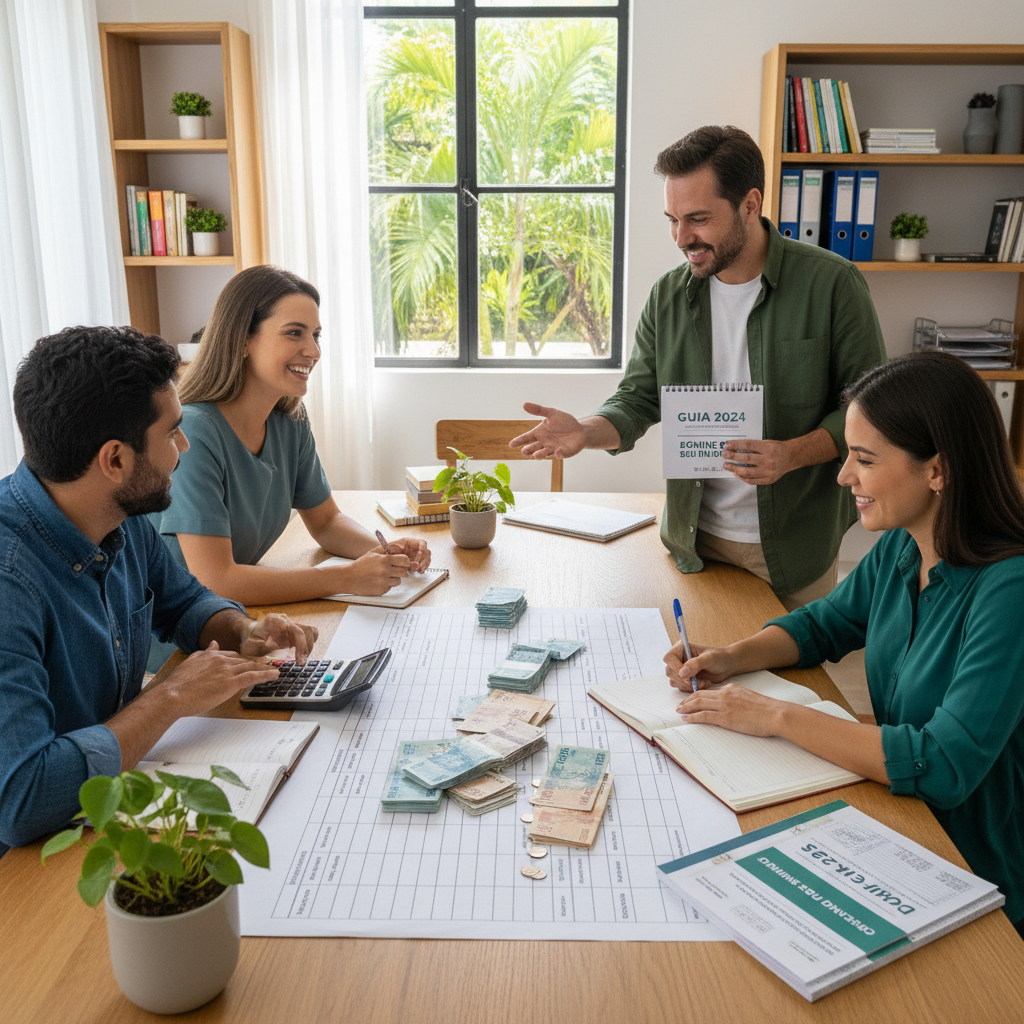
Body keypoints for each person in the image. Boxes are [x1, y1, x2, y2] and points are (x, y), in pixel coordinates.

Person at [664, 351, 1024, 936]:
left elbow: (942, 764)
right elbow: (823, 625)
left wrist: (774, 715)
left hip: (977, 868)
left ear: (938, 470)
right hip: (904, 823)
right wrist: (730, 656)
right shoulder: (904, 544)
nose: (843, 476)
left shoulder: (1010, 590)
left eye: (864, 459)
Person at [511, 125, 886, 609]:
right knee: (693, 658)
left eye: (698, 219)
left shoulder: (833, 284)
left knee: (790, 663)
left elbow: (869, 412)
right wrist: (586, 431)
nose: (681, 237)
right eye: (673, 219)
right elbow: (638, 398)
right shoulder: (668, 295)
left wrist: (790, 454)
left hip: (795, 545)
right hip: (694, 544)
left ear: (750, 204)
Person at [0, 326, 316, 849]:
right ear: (115, 460)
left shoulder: (118, 517)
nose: (184, 448)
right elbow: (22, 799)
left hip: (113, 801)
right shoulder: (10, 582)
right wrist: (169, 698)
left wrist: (242, 630)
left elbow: (185, 601)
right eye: (172, 434)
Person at [149, 264, 430, 609]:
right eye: (294, 333)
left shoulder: (289, 419)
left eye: (316, 335)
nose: (313, 351)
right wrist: (346, 578)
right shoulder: (194, 432)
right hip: (176, 628)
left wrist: (385, 551)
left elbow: (326, 522)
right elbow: (217, 580)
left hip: (234, 615)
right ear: (242, 339)